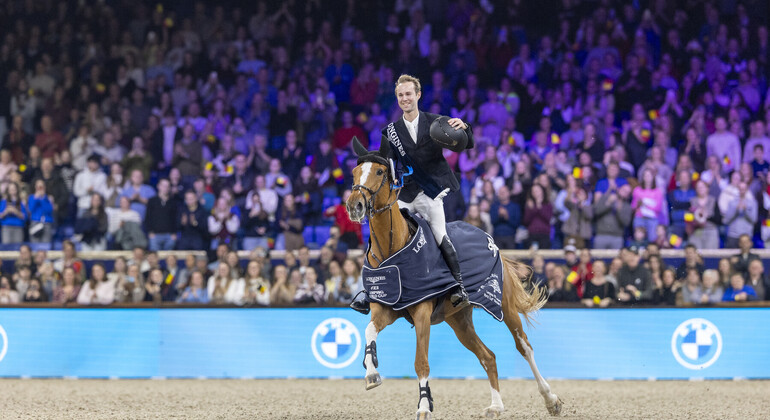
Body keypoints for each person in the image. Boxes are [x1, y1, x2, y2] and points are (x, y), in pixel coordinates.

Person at [376, 74, 475, 308]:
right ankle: (374, 288)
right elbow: (385, 162)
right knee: (384, 230)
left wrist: (465, 127)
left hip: (430, 191)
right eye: (400, 95)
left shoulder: (436, 122)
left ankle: (458, 286)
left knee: (440, 235)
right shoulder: (390, 132)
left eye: (408, 94)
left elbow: (467, 143)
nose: (405, 98)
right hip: (406, 193)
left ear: (418, 95)